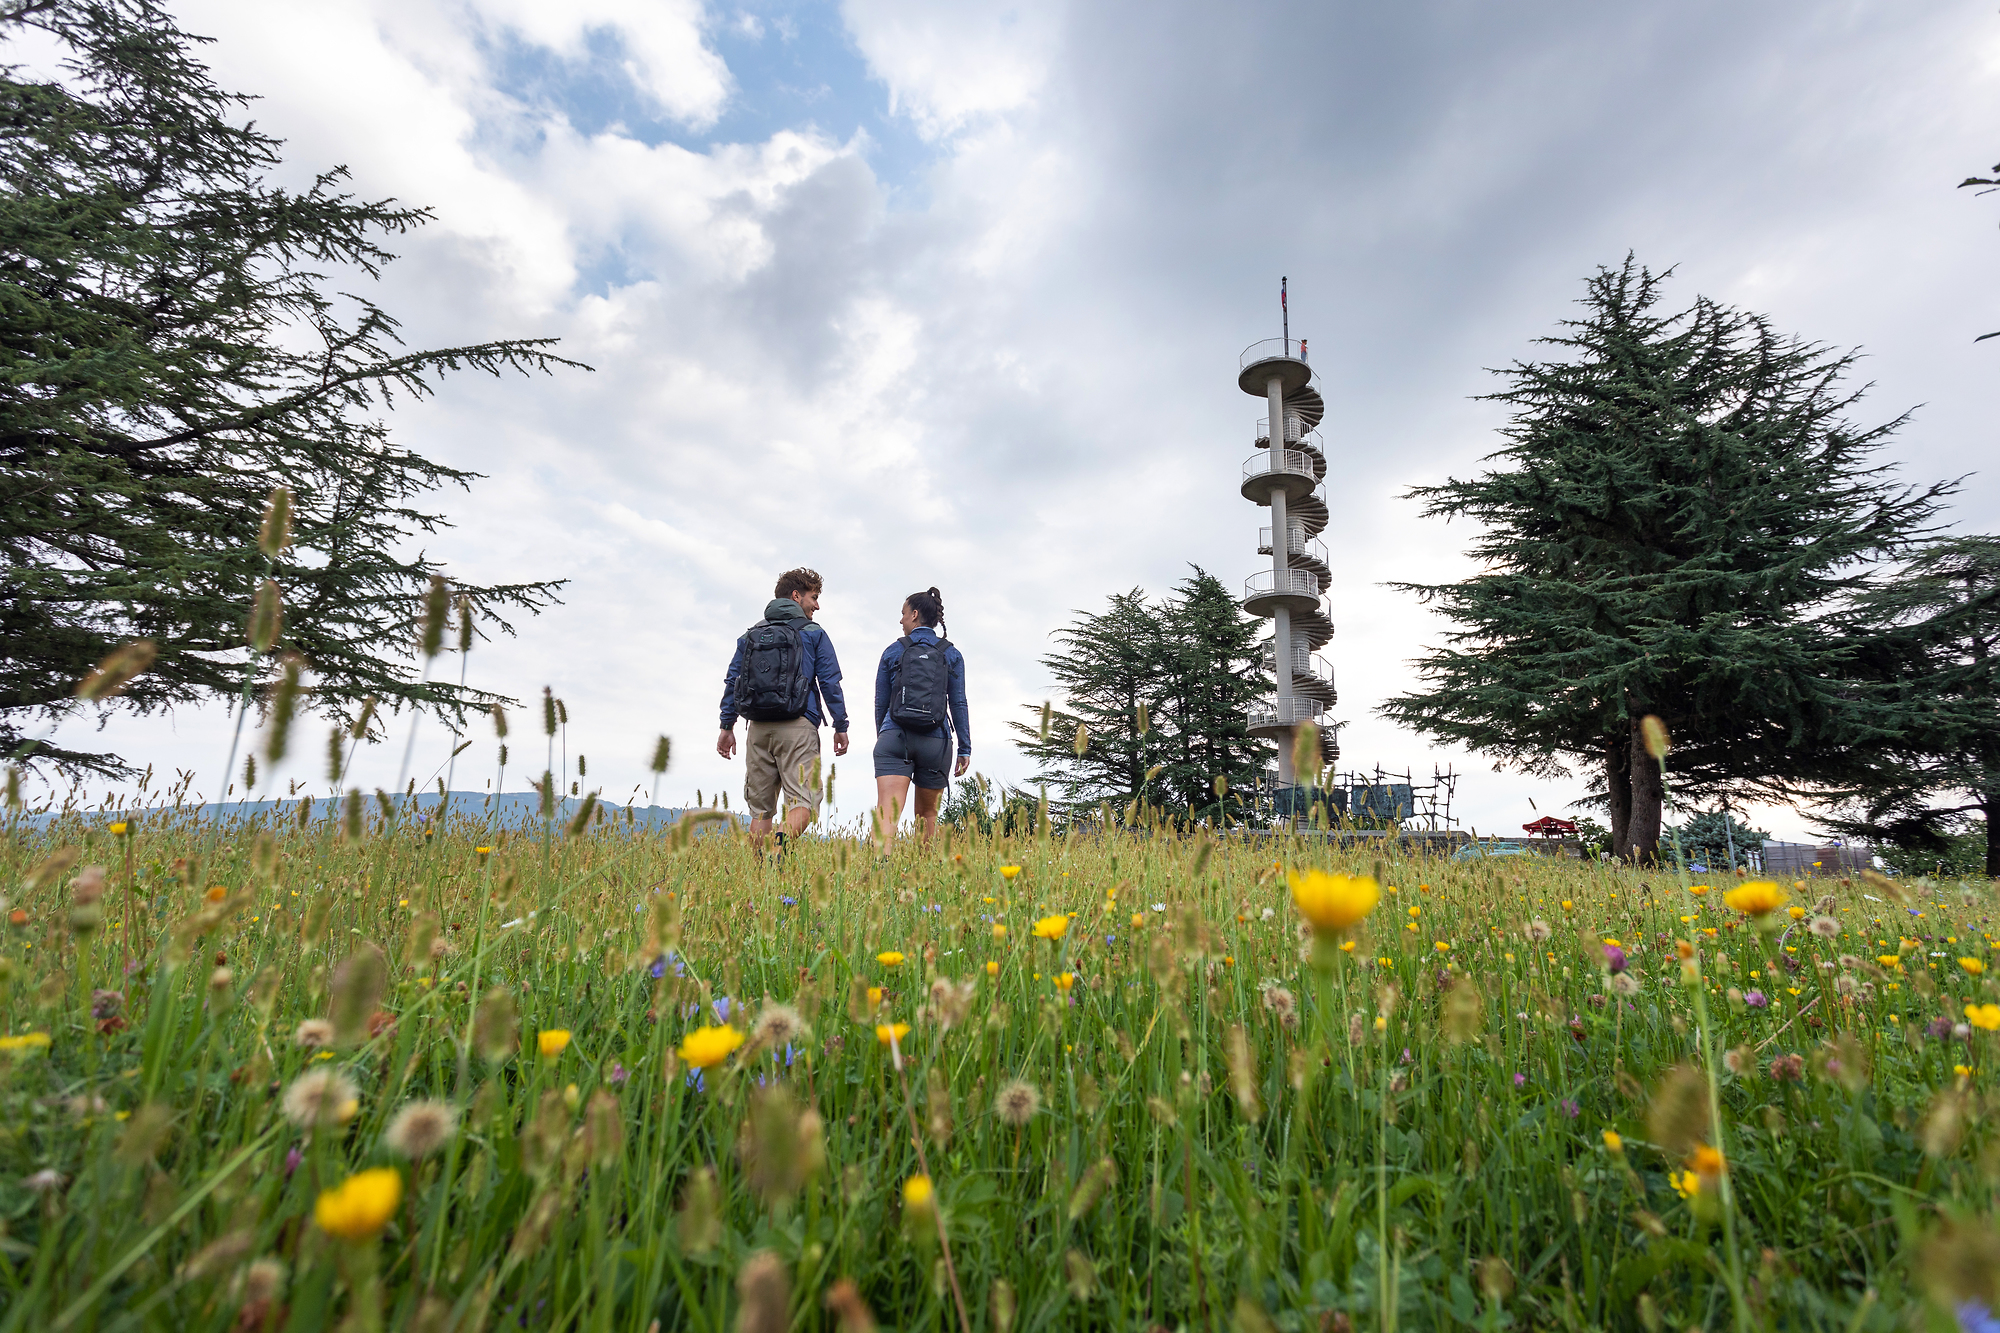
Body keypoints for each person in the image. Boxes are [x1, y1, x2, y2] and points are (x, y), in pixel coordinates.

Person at [718, 568, 849, 851]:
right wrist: (841, 725)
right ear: (796, 596)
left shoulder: (750, 635)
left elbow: (733, 681)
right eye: (814, 597)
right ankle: (779, 849)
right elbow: (829, 682)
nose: (817, 605)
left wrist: (727, 725)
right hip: (798, 726)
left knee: (760, 811)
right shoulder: (813, 633)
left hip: (757, 728)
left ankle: (759, 873)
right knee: (804, 803)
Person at [872, 587, 970, 844]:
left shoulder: (893, 651)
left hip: (895, 736)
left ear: (914, 615)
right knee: (927, 815)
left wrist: (884, 735)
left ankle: (880, 866)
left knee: (886, 812)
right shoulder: (951, 654)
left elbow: (881, 702)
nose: (901, 620)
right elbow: (958, 702)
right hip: (936, 740)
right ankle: (923, 868)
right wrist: (965, 747)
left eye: (903, 614)